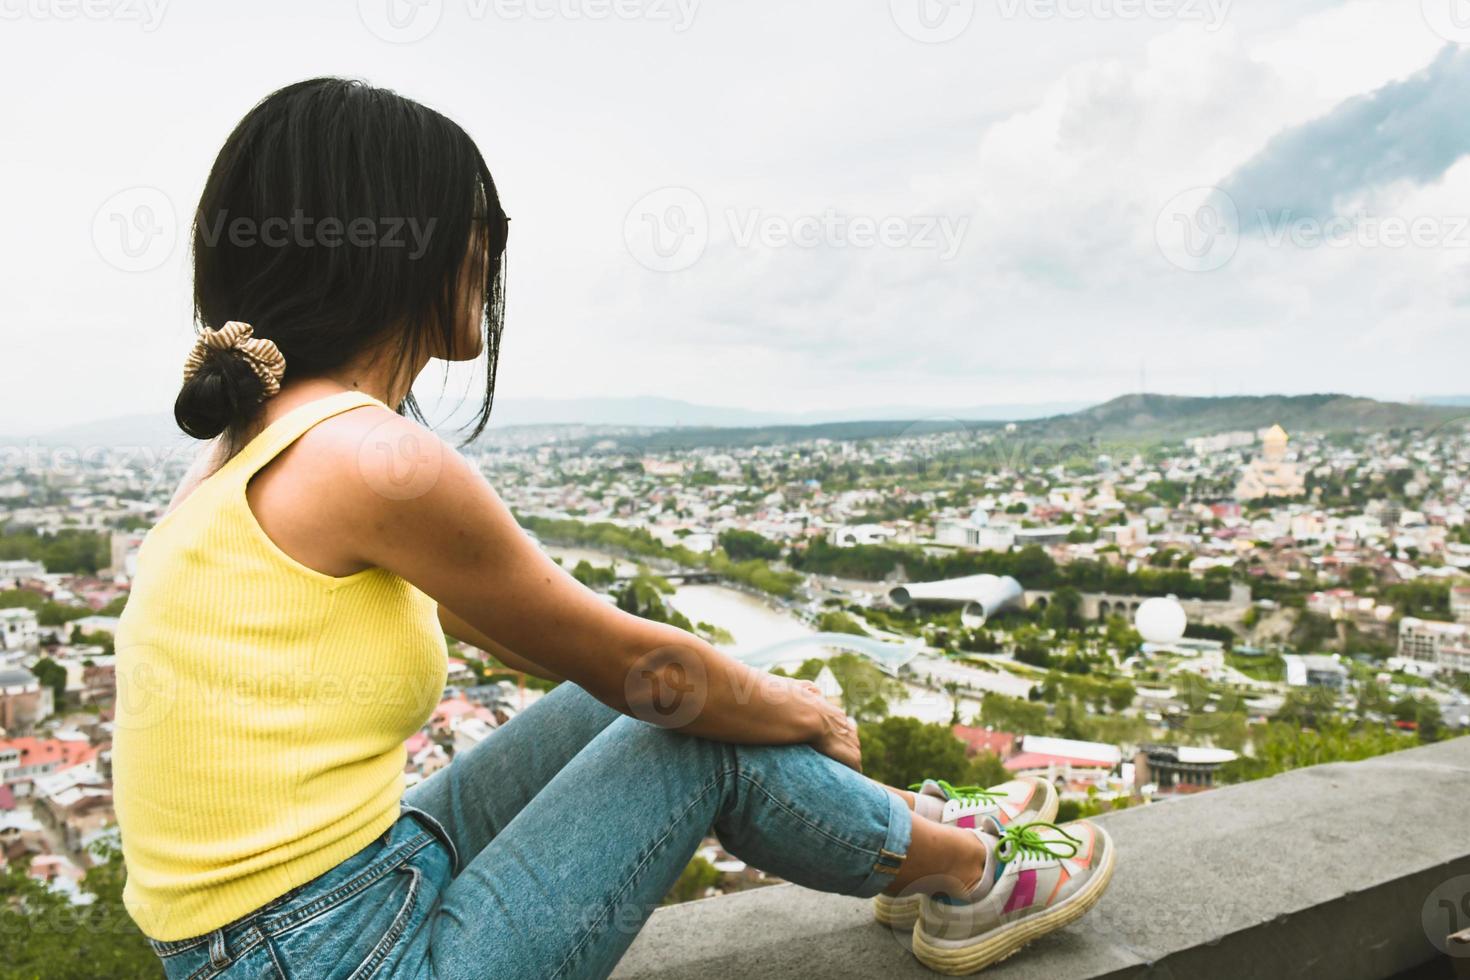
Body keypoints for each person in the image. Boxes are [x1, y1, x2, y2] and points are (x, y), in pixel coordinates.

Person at [113, 77, 1113, 979]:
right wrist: (794, 706)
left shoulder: (252, 447)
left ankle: (914, 829)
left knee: (637, 700)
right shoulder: (370, 457)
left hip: (292, 923)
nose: (488, 249)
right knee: (693, 724)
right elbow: (661, 679)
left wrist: (736, 691)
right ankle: (966, 873)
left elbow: (547, 644)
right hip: (336, 952)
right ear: (402, 241)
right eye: (473, 222)